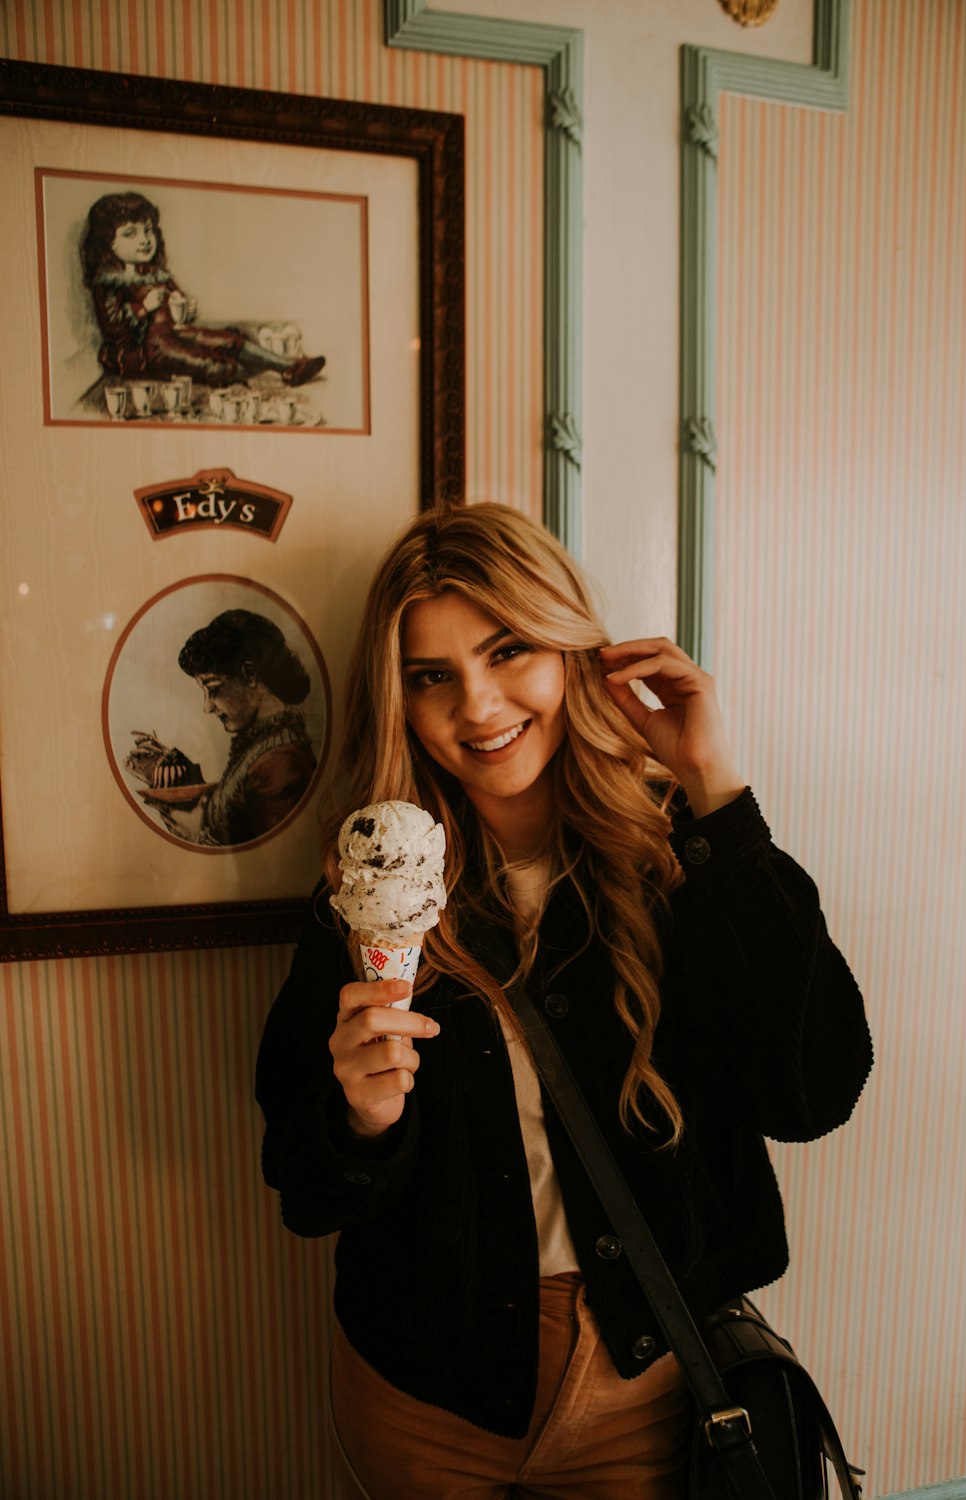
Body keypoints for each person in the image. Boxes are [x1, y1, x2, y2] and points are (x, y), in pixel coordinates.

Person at [254, 503, 872, 1499]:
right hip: (424, 1393)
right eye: (431, 675)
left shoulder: (680, 858)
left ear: (570, 649)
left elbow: (810, 1095)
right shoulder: (372, 882)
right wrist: (360, 1120)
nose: (480, 703)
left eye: (509, 651)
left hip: (645, 1379)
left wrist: (714, 784)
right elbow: (307, 1187)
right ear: (398, 698)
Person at [81, 192, 326, 392]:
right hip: (144, 351)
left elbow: (179, 315)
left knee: (229, 341)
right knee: (212, 364)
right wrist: (143, 307)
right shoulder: (110, 282)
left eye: (148, 230)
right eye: (130, 234)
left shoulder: (157, 274)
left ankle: (290, 365)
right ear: (108, 243)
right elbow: (113, 327)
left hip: (172, 335)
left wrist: (185, 309)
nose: (145, 240)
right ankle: (275, 375)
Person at [138, 608, 317, 847]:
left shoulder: (282, 763)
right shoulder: (261, 745)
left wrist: (197, 834)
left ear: (249, 674)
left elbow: (269, 855)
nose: (207, 707)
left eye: (213, 689)